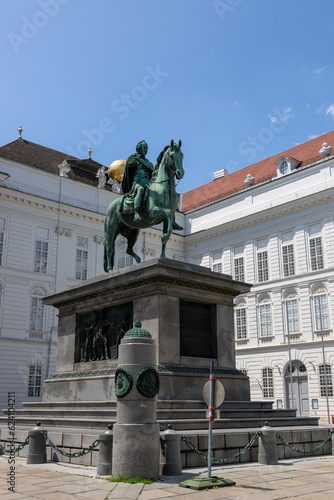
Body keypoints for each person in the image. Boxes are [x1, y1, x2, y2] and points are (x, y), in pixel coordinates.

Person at [121, 140, 155, 221]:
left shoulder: (149, 164)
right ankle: (136, 212)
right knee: (140, 190)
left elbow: (153, 175)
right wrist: (131, 158)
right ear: (139, 149)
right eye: (144, 147)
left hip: (148, 183)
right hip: (138, 183)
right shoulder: (135, 160)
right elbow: (129, 166)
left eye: (147, 148)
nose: (146, 149)